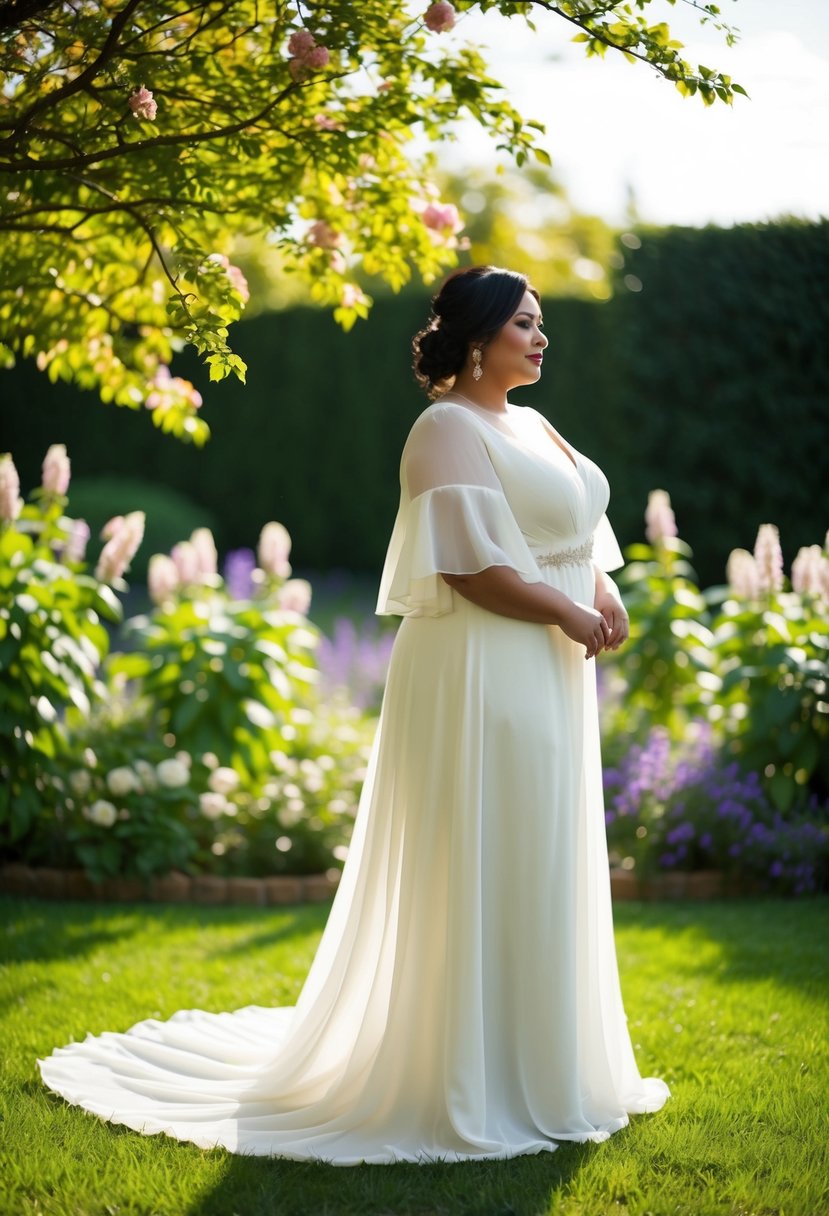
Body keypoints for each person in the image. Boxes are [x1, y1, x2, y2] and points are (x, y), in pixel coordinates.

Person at [39, 265, 670, 1164]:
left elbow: (569, 526)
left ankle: (547, 1060)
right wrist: (569, 611)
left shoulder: (530, 421)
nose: (540, 339)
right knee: (485, 845)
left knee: (540, 844)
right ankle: (466, 1072)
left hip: (550, 667)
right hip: (483, 666)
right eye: (522, 324)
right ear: (476, 337)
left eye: (540, 324)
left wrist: (602, 589)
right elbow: (468, 568)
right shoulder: (442, 429)